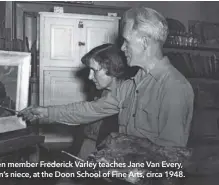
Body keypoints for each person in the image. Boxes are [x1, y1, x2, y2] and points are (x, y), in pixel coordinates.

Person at [18, 7, 194, 147]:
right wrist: (47, 112)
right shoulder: (133, 84)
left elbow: (172, 155)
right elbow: (91, 110)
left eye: (126, 41)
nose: (123, 48)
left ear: (145, 43)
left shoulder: (174, 87)